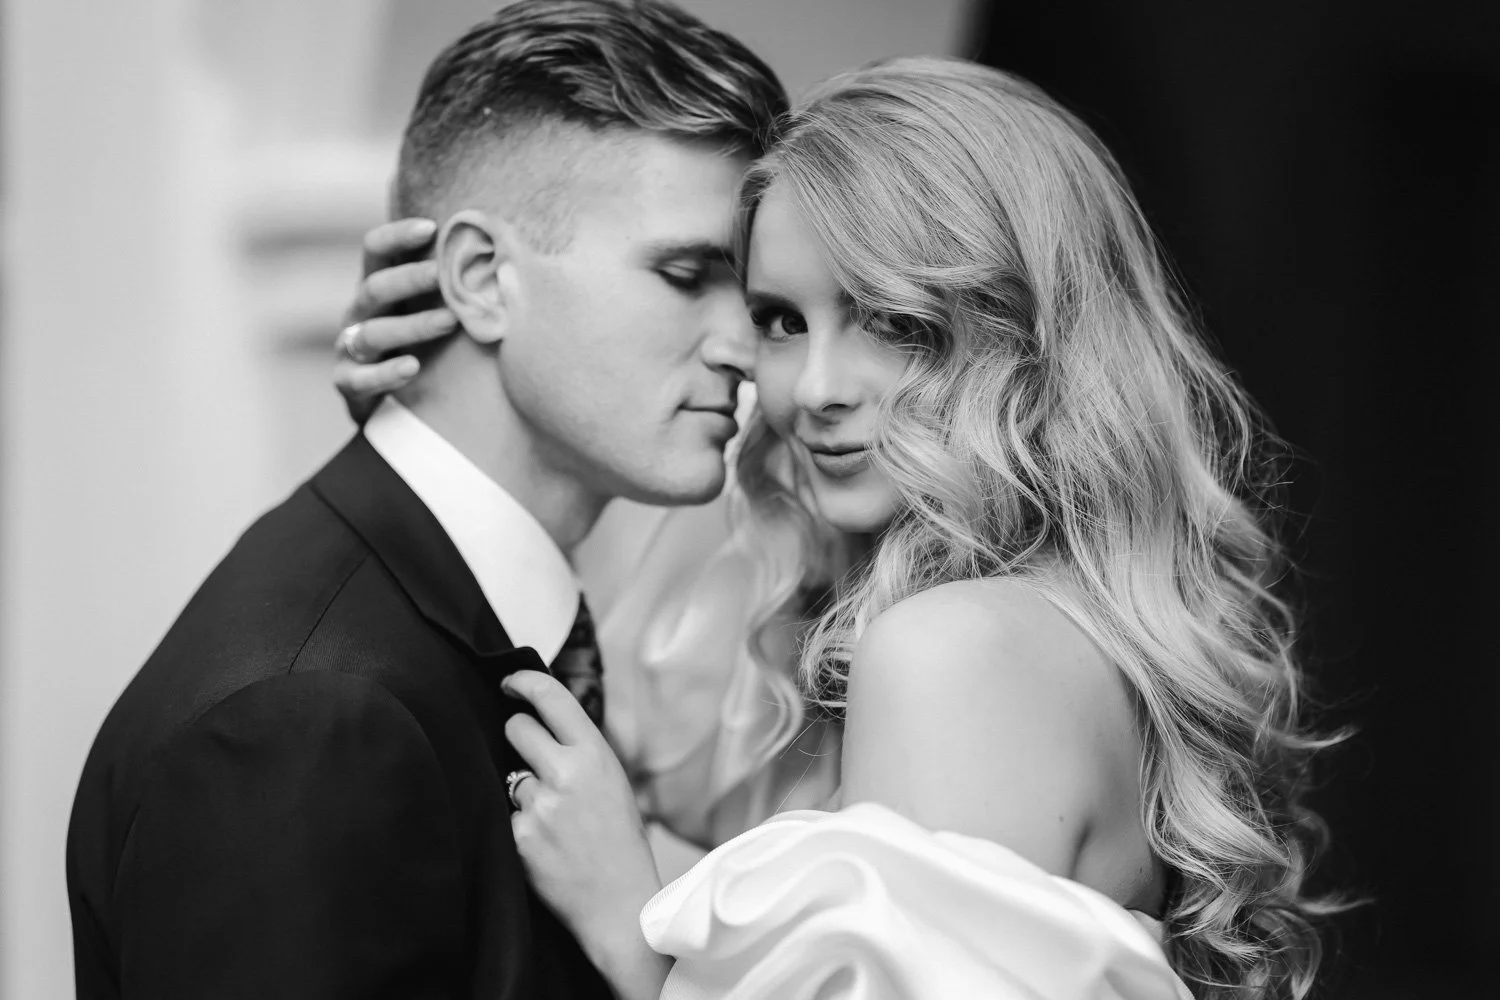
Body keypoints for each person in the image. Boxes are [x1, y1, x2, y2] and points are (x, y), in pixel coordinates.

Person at [344, 58, 1343, 1000]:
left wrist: (628, 924)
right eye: (782, 319)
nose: (815, 390)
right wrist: (452, 416)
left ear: (1027, 338)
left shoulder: (951, 652)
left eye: (893, 320)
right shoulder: (1001, 622)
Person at [64, 2, 787, 998]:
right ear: (481, 278)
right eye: (685, 273)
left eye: (749, 295)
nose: (742, 347)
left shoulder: (492, 626)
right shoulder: (307, 722)